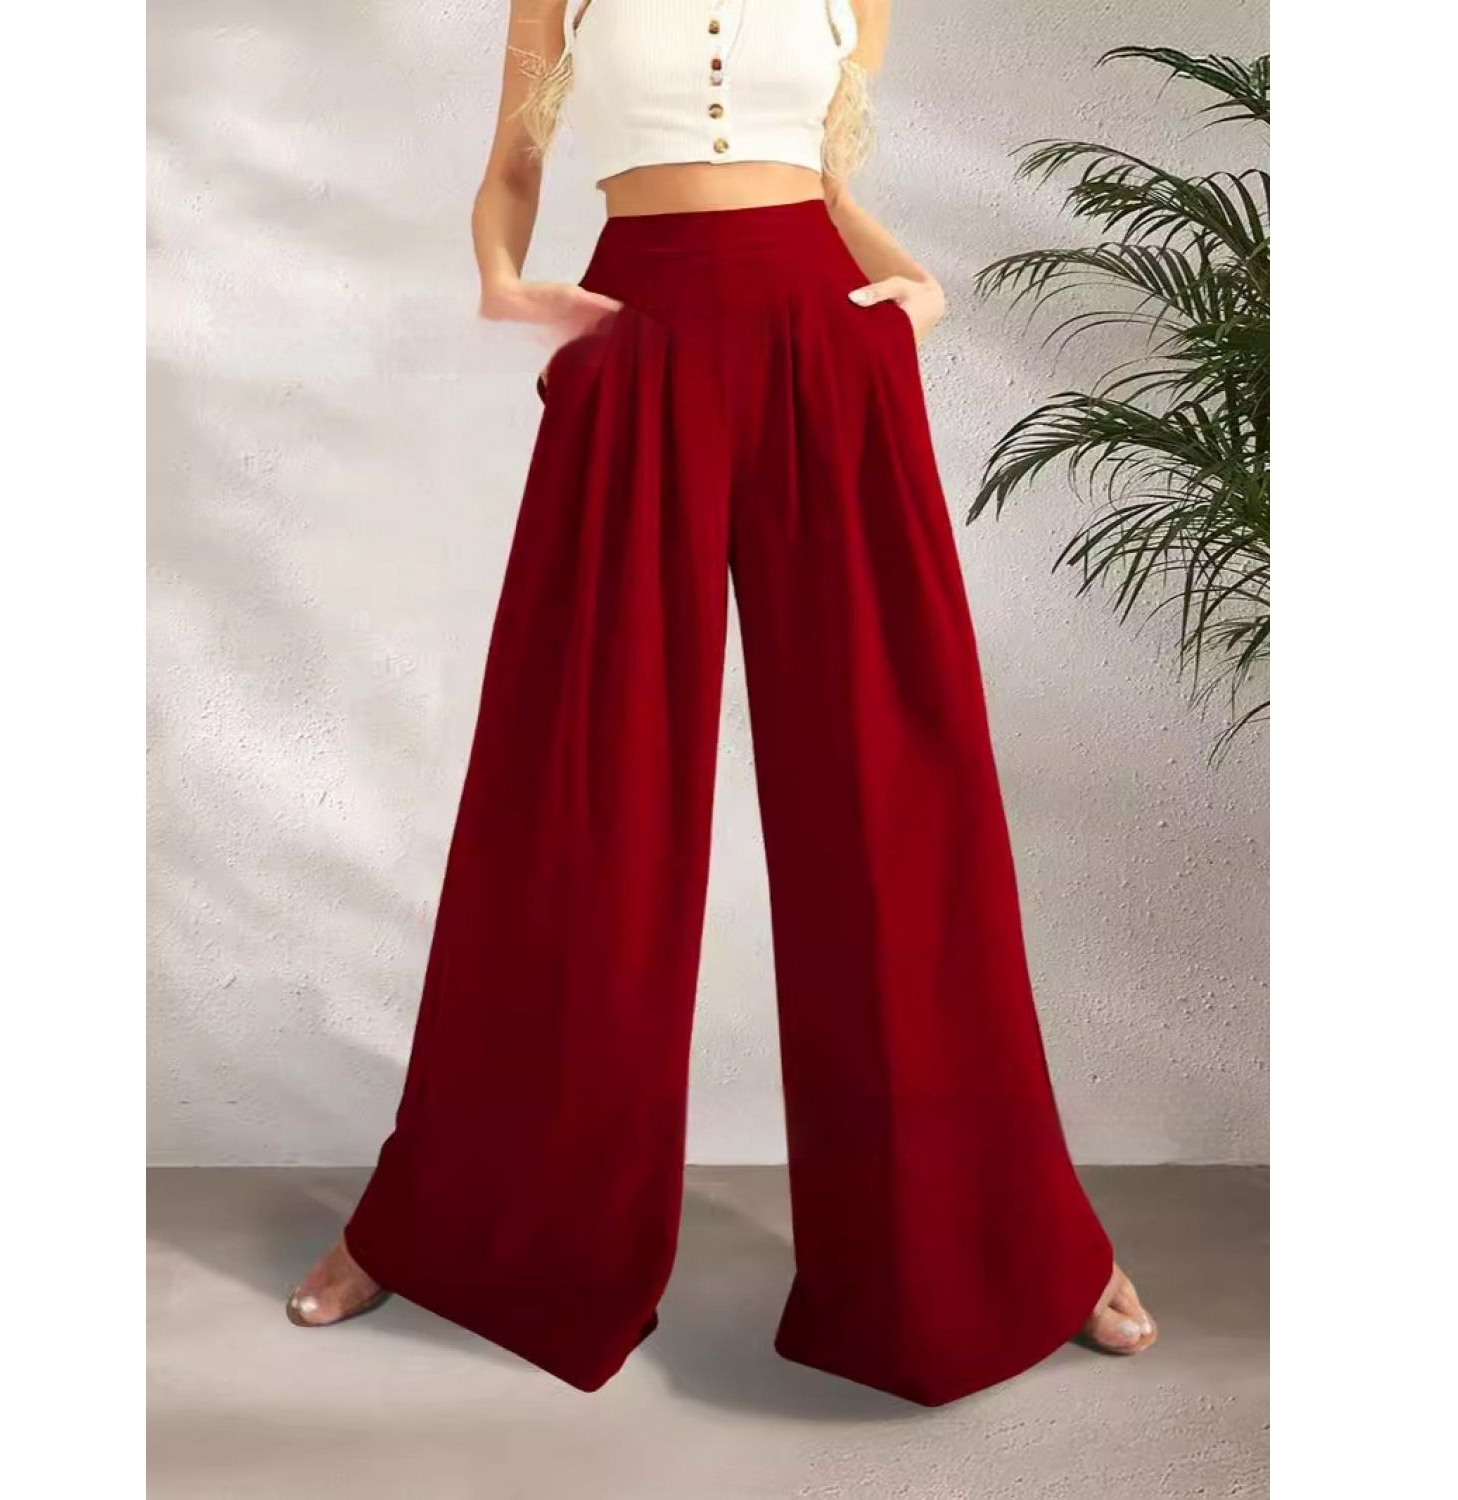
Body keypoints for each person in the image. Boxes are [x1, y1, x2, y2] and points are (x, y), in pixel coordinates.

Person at [288, 0, 1156, 1407]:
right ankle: (439, 1225)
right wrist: (511, 288)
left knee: (897, 800)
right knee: (578, 792)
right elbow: (513, 168)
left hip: (829, 345)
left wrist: (916, 292)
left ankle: (1015, 1247)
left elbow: (830, 186)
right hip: (636, 341)